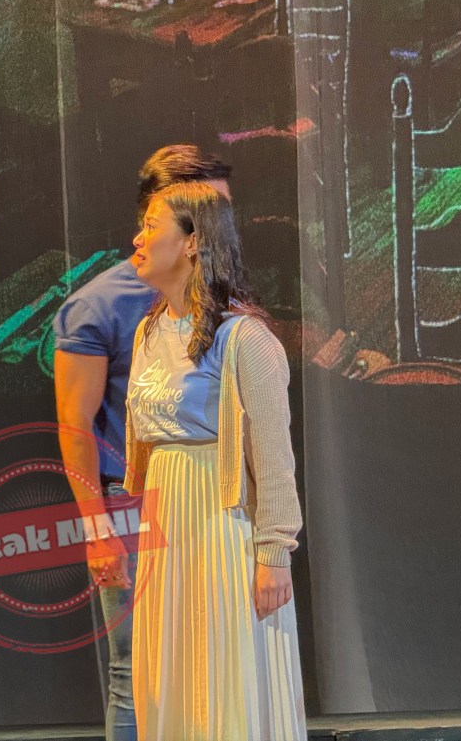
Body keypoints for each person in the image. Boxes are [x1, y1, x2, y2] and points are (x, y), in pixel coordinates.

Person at [52, 145, 231, 741]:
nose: (222, 225)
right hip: (130, 505)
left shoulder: (224, 298)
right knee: (137, 672)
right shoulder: (98, 306)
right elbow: (75, 424)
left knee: (212, 661)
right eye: (208, 210)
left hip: (210, 502)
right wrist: (97, 530)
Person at [125, 180, 305, 740]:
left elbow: (273, 454)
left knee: (223, 672)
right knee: (170, 674)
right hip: (165, 523)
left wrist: (273, 550)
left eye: (151, 226)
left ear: (193, 241)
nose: (138, 238)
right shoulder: (149, 331)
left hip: (220, 522)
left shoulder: (244, 339)